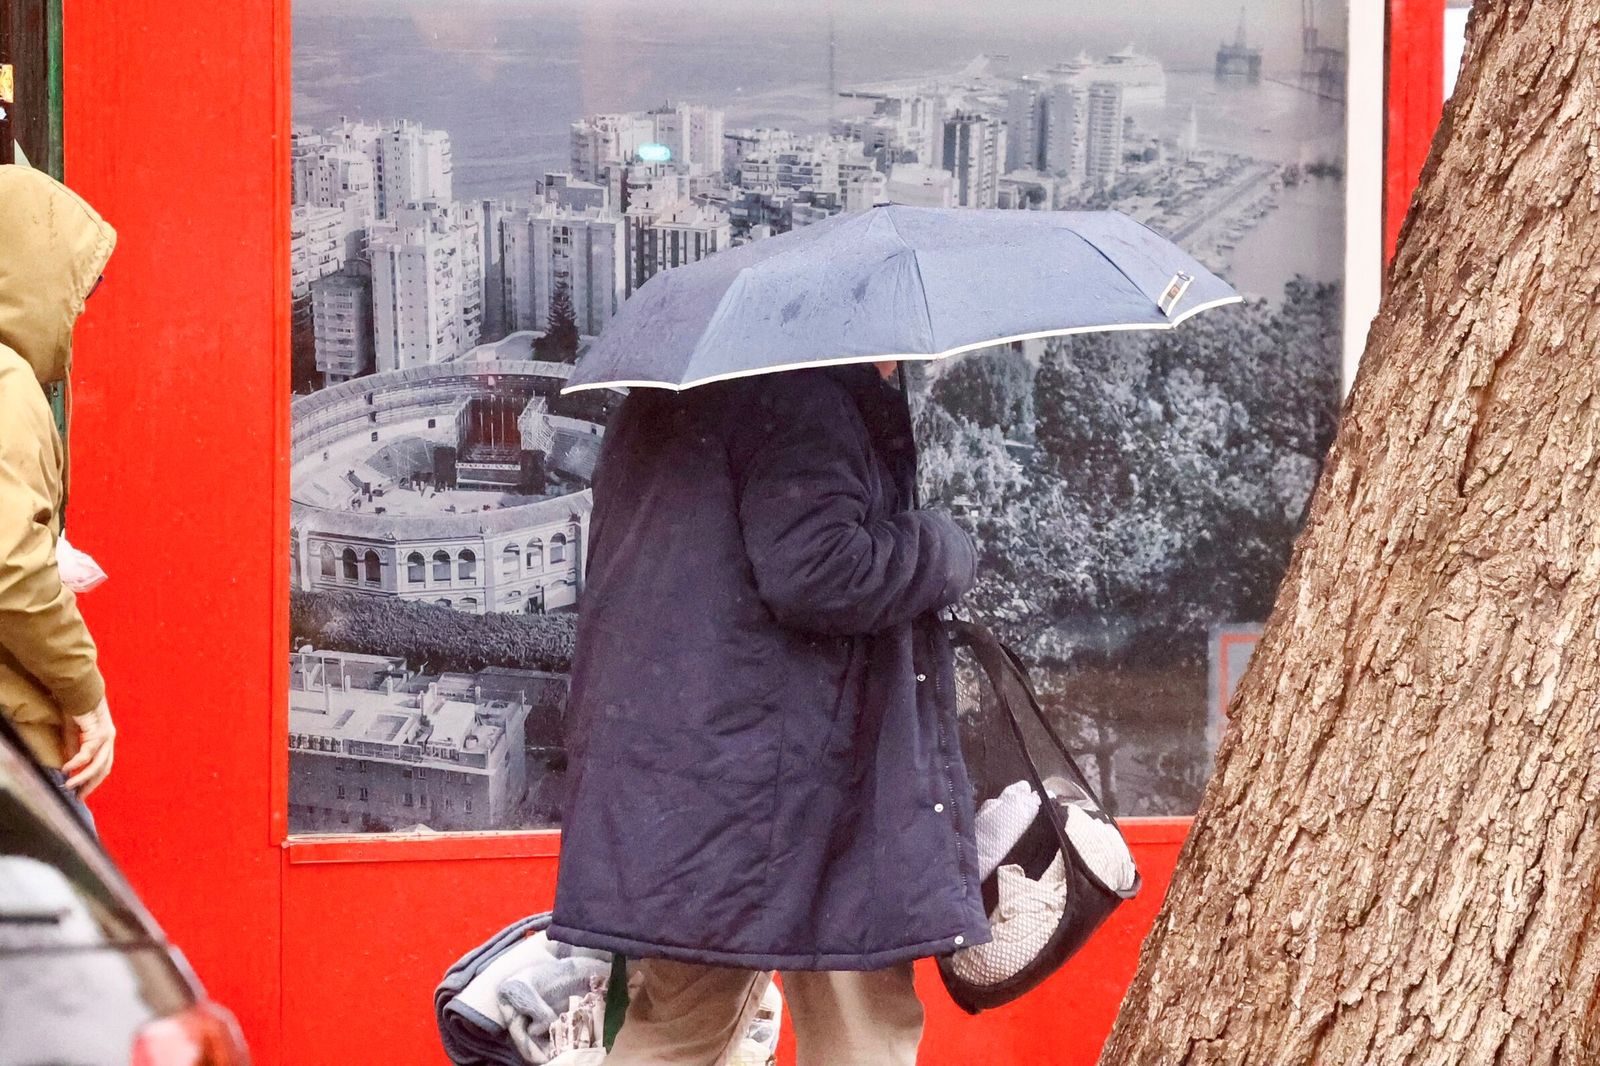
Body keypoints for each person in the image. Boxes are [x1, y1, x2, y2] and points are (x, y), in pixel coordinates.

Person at [551, 359, 989, 1065]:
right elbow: (820, 570)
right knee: (859, 1024)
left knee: (678, 1024)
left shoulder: (670, 393)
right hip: (801, 788)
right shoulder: (805, 399)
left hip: (687, 774)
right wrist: (941, 546)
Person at [0, 165, 119, 818]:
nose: (78, 311)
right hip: (17, 745)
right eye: (75, 291)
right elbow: (8, 565)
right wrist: (85, 694)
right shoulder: (7, 382)